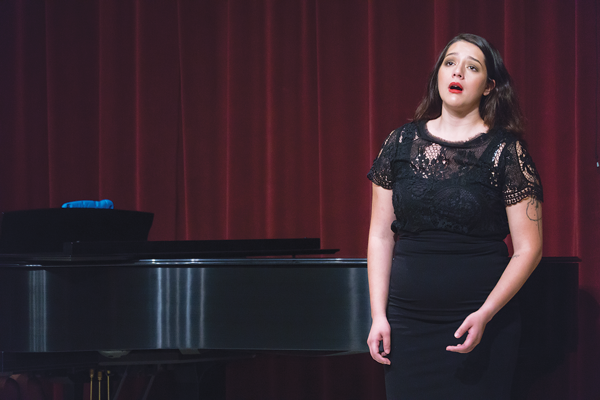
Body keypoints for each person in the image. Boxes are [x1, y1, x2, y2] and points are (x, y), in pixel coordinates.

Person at [366, 33, 543, 399]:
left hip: (478, 321)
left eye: (472, 66)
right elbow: (381, 235)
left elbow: (529, 249)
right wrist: (378, 316)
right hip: (407, 324)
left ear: (490, 87)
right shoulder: (399, 143)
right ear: (438, 76)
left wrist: (486, 314)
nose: (457, 71)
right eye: (450, 62)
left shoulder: (506, 152)